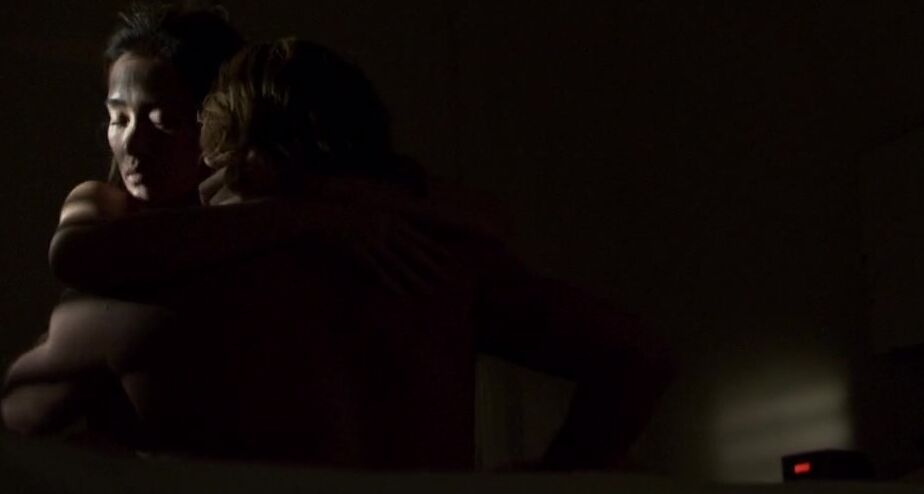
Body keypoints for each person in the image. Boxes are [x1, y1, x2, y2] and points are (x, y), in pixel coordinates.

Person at [5, 19, 676, 470]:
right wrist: (542, 492)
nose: (133, 143)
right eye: (118, 119)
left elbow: (16, 427)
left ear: (229, 153)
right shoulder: (438, 268)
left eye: (171, 122)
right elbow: (638, 356)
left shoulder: (136, 304)